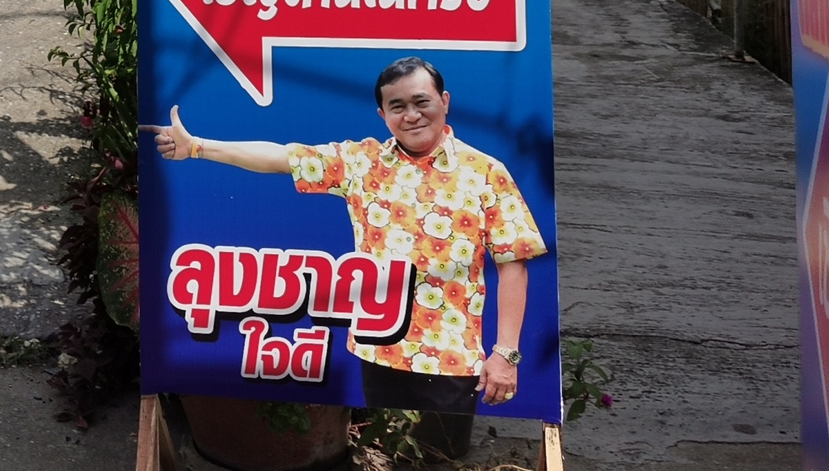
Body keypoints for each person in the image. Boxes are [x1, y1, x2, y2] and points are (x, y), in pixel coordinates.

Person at [152, 56, 544, 457]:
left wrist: (505, 353)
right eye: (398, 106)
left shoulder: (485, 172)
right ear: (383, 114)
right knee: (380, 457)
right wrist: (198, 147)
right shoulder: (363, 162)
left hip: (450, 359)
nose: (411, 115)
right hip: (378, 350)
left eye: (421, 101)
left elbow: (513, 264)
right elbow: (280, 158)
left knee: (437, 459)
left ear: (444, 101)